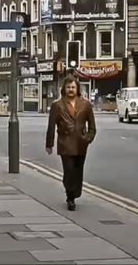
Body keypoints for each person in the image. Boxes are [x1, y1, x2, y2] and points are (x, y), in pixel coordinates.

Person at [46, 76, 97, 211]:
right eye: (68, 87)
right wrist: (49, 144)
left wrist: (88, 138)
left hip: (81, 143)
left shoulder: (85, 104)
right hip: (65, 143)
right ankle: (70, 197)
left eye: (73, 87)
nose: (71, 90)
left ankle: (74, 192)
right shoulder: (57, 105)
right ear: (64, 89)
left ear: (77, 89)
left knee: (78, 171)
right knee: (69, 171)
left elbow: (92, 125)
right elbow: (51, 125)